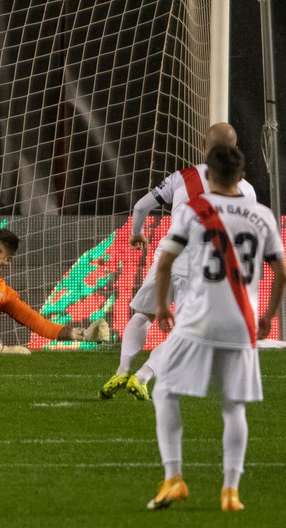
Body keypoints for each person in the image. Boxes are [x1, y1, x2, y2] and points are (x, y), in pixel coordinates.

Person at [144, 144, 286, 512]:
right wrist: (268, 315)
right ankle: (230, 493)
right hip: (242, 323)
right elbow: (283, 273)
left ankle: (174, 478)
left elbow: (164, 262)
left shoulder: (195, 210)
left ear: (208, 176)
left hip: (198, 319)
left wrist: (162, 307)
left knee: (164, 393)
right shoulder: (263, 215)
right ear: (241, 177)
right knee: (233, 406)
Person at [103, 122, 258, 401]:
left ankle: (123, 368)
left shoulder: (181, 177)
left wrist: (137, 233)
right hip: (203, 268)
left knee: (142, 314)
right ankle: (143, 376)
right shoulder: (246, 189)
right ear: (235, 151)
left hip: (168, 255)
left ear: (203, 146)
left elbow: (140, 206)